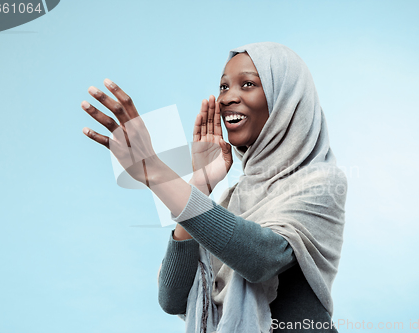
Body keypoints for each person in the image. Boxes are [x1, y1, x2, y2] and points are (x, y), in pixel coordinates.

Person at [81, 42, 347, 333]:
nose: (228, 98)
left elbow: (262, 259)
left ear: (286, 99)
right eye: (223, 87)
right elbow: (172, 299)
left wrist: (157, 173)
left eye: (248, 84)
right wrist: (198, 187)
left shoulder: (321, 181)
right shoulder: (230, 201)